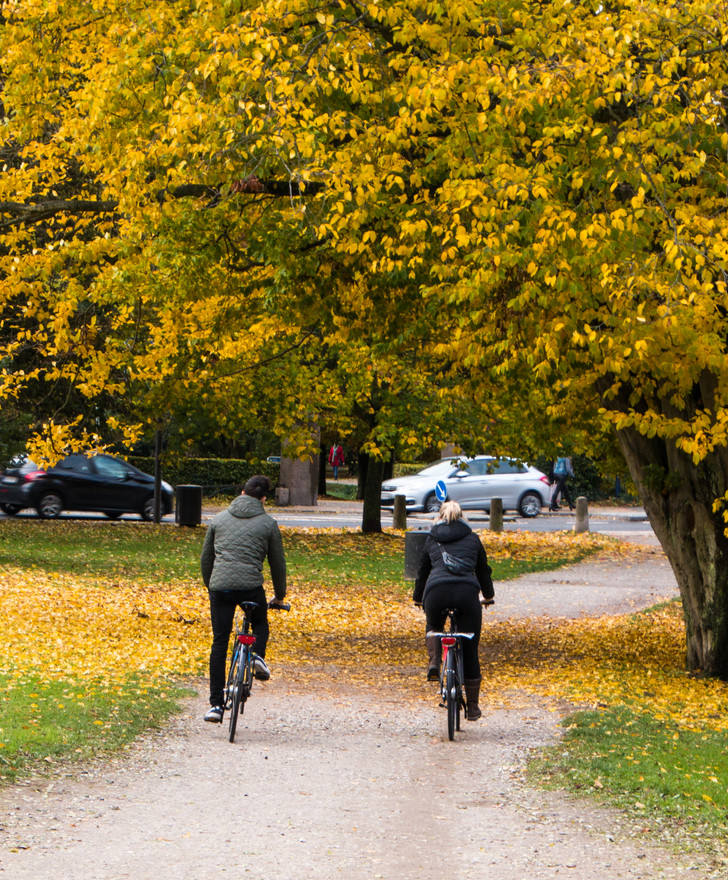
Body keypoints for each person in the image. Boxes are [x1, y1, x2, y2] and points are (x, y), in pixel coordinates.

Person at [200, 474, 288, 723]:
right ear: (263, 499)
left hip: (221, 589)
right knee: (260, 622)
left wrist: (212, 586)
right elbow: (277, 564)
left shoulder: (218, 519)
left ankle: (216, 705)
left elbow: (206, 560)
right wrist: (279, 596)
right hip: (251, 587)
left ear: (241, 492)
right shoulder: (268, 524)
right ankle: (257, 656)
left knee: (219, 643)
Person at [413, 501, 494, 721]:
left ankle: (434, 662)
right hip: (467, 594)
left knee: (434, 625)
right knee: (469, 648)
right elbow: (483, 571)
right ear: (462, 517)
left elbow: (422, 571)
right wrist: (488, 596)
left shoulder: (432, 537)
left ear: (440, 516)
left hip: (436, 592)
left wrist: (417, 598)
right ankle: (474, 707)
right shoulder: (473, 538)